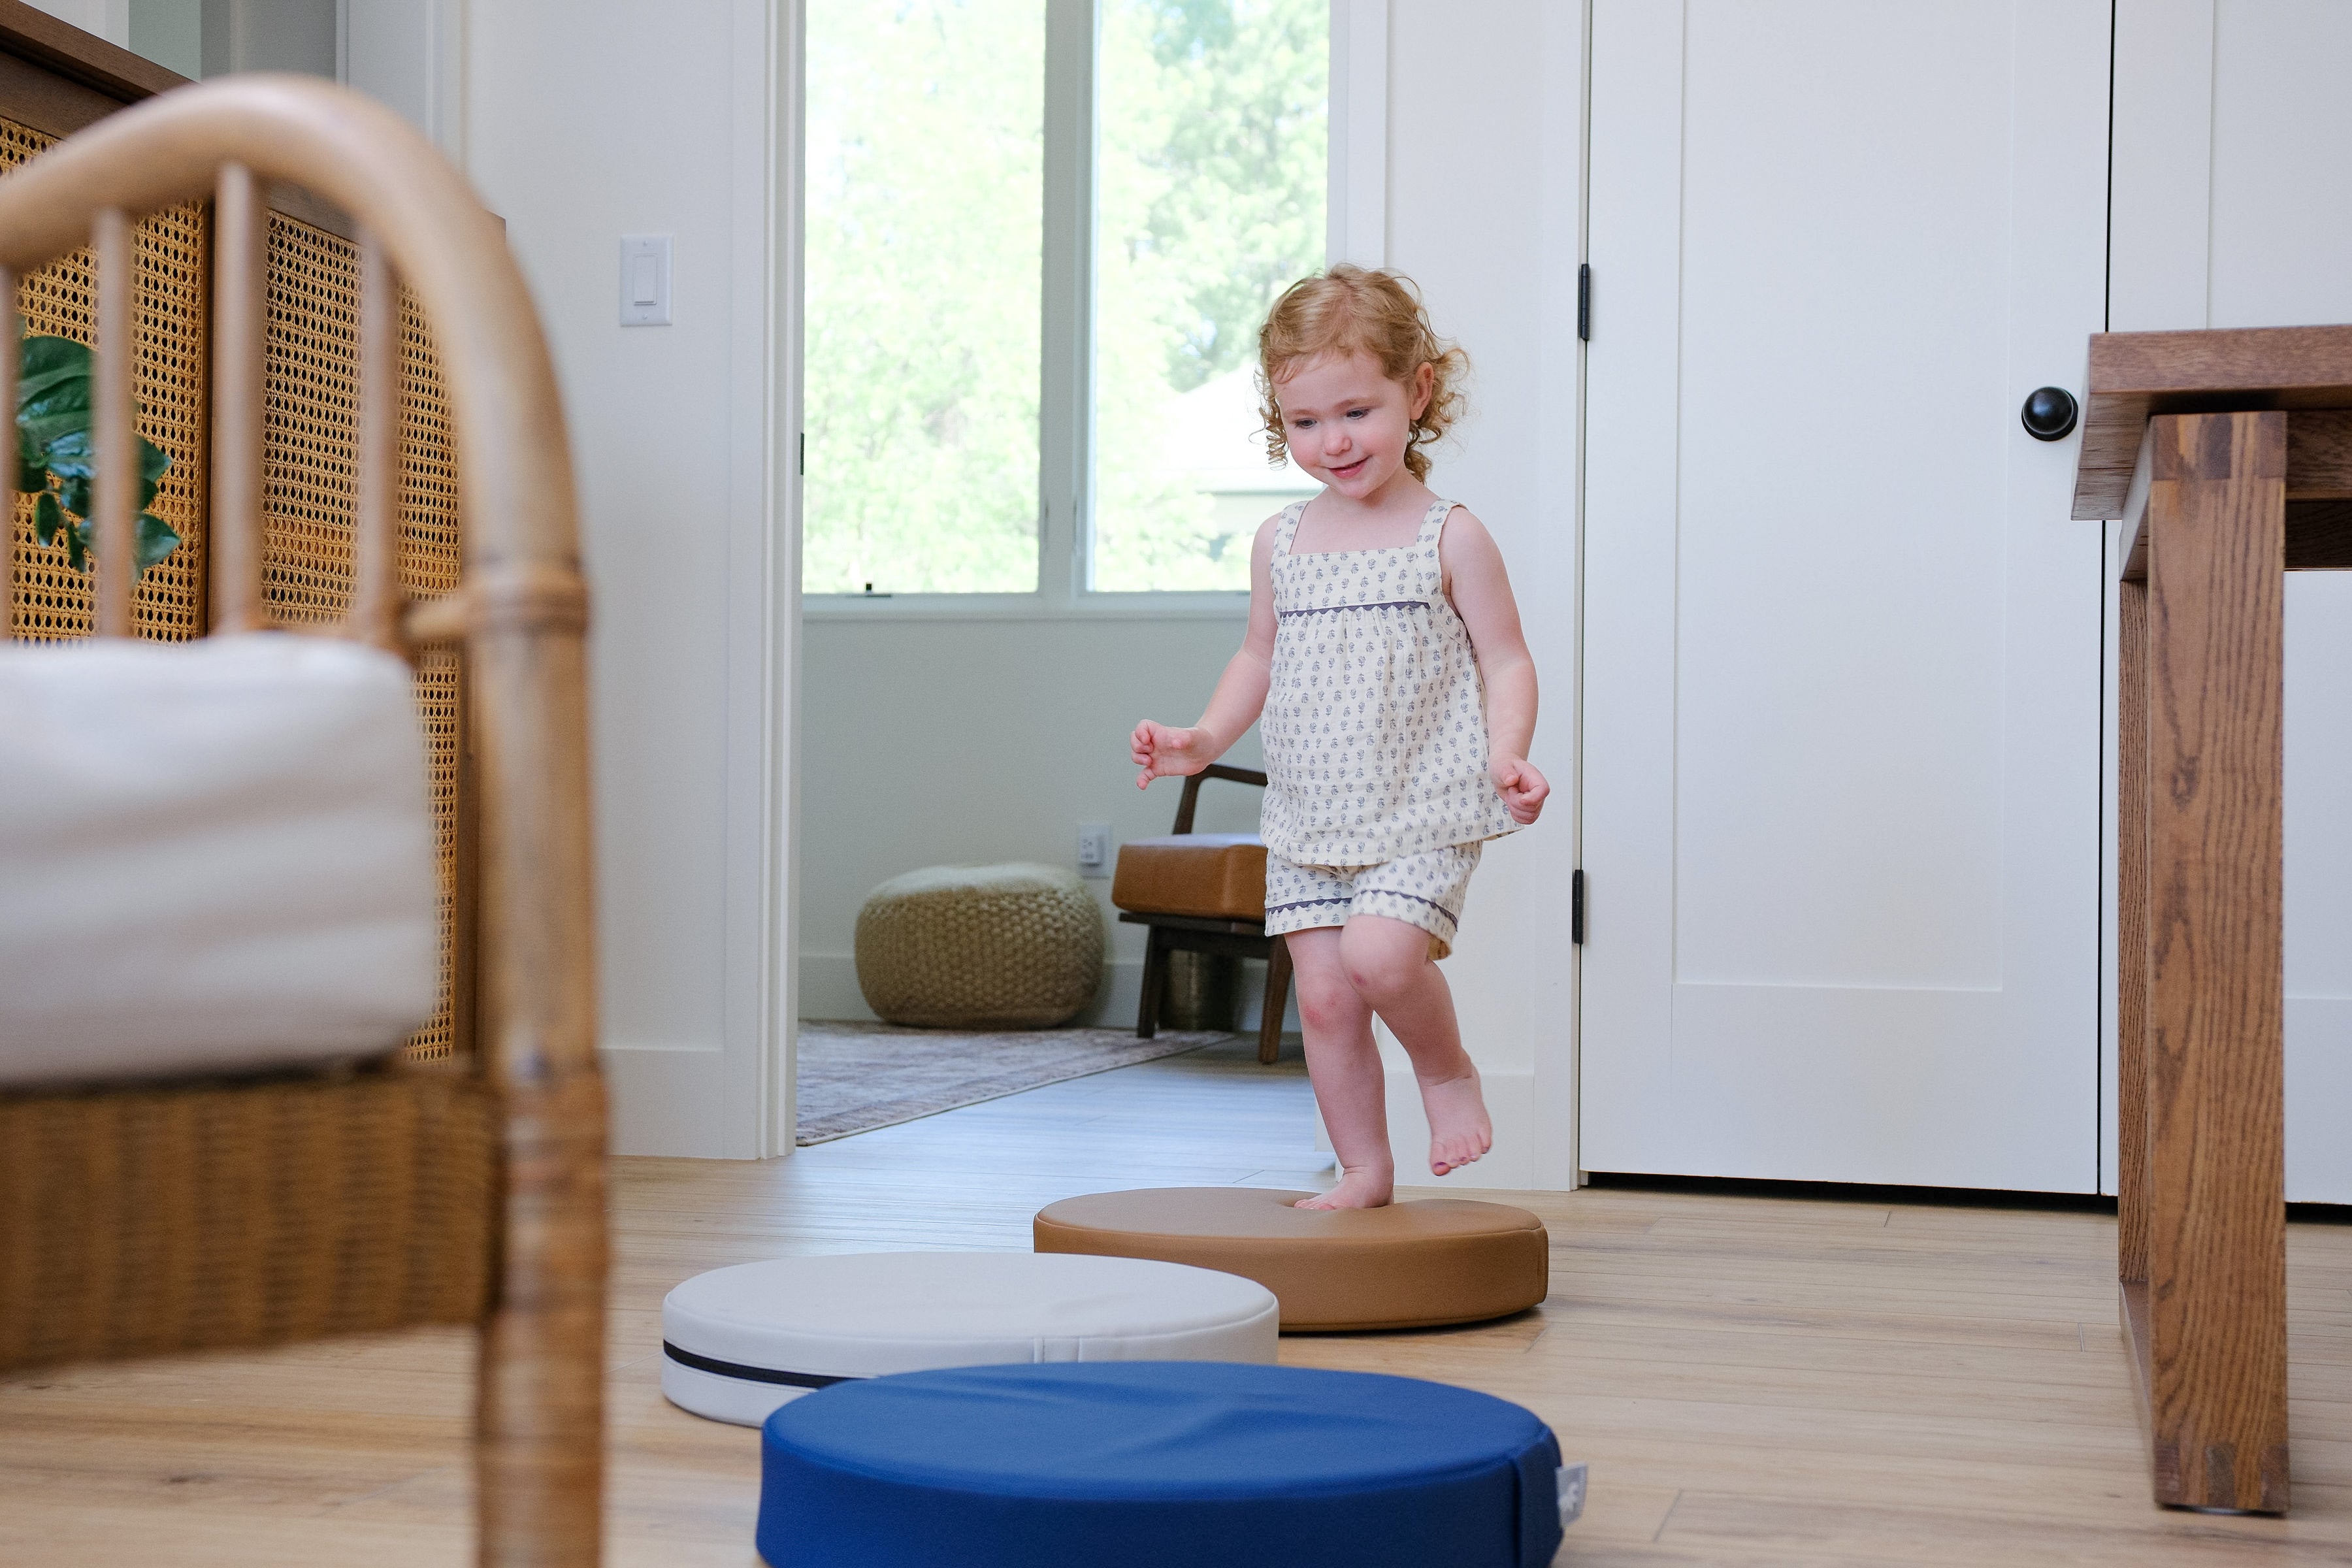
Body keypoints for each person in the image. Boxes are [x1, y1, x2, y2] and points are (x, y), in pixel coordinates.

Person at [1130, 265, 1548, 1209]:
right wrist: (1201, 736)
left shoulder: (1452, 536)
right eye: (1307, 423)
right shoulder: (1280, 542)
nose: (1333, 442)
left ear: (1421, 390)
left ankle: (1445, 1076)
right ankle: (1363, 1166)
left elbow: (1508, 659)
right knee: (1324, 997)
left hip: (1423, 805)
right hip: (1312, 816)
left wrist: (1507, 752)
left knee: (1381, 958)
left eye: (1356, 412)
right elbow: (1258, 659)